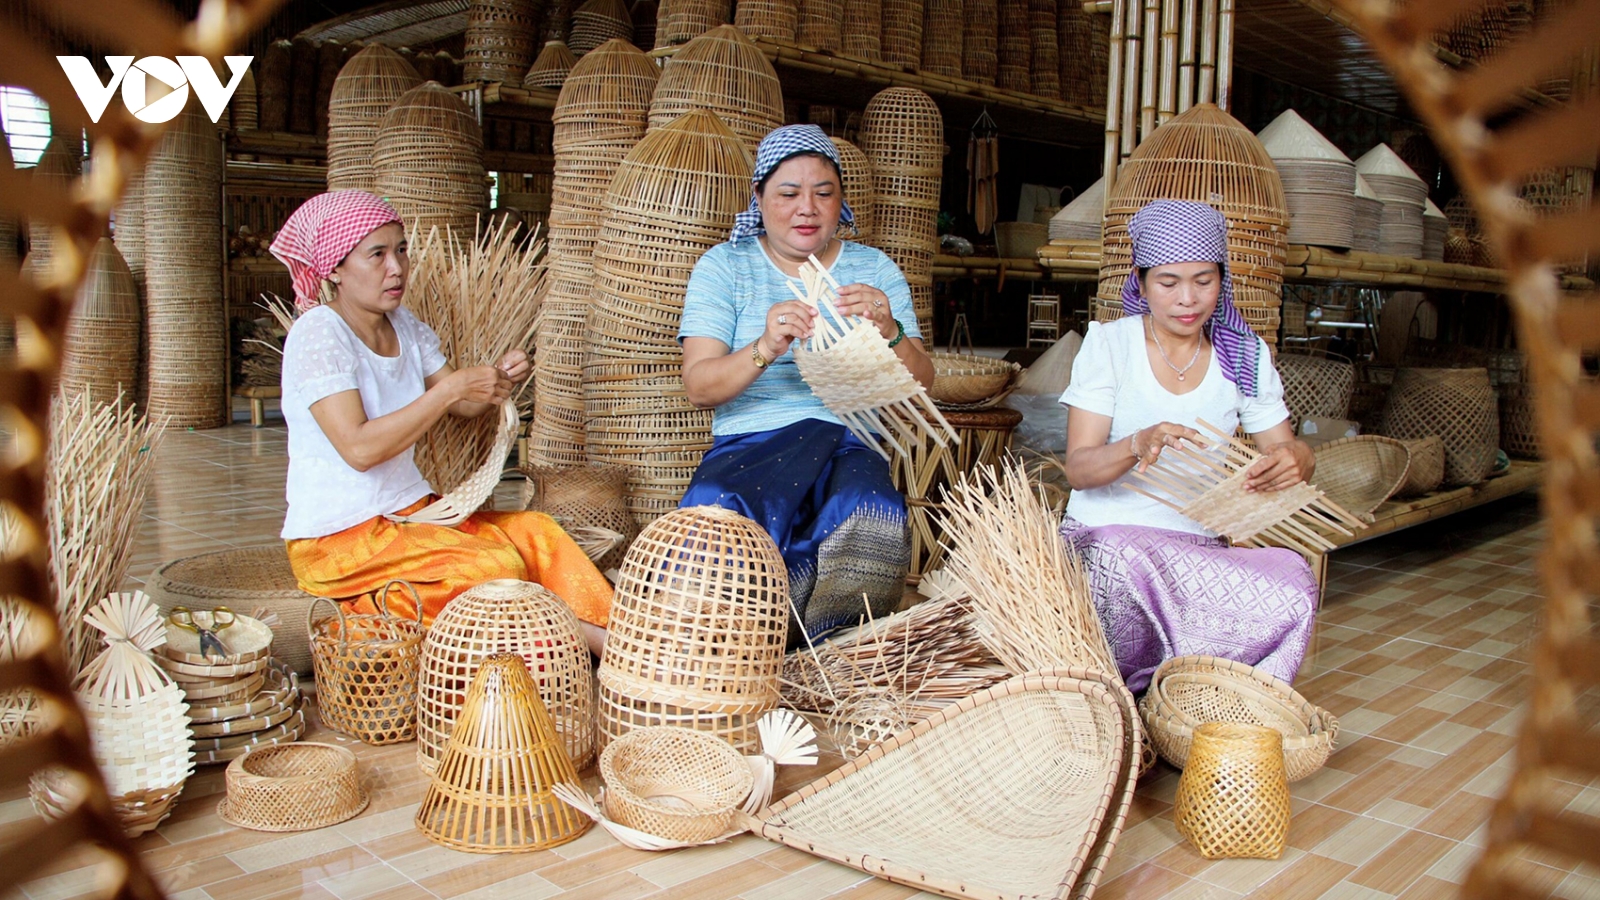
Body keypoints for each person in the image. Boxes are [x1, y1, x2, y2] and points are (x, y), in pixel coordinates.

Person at [271, 191, 611, 652]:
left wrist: (495, 381)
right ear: (334, 268)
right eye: (377, 254)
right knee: (493, 569)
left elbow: (462, 405)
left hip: (411, 514)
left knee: (538, 532)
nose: (397, 267)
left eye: (401, 249)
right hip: (340, 540)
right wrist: (448, 391)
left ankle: (617, 641)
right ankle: (599, 651)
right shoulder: (319, 334)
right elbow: (359, 449)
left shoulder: (404, 326)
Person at [678, 125, 935, 646]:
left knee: (868, 510)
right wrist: (765, 347)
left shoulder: (873, 268)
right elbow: (700, 386)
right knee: (717, 514)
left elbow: (922, 384)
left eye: (823, 193)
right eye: (788, 194)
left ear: (840, 201)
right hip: (753, 439)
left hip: (848, 436)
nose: (807, 208)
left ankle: (833, 645)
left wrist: (891, 332)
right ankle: (743, 641)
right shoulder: (725, 267)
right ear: (759, 198)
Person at [1060, 200, 1318, 692]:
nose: (1187, 299)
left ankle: (1212, 697)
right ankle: (1142, 687)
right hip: (1107, 544)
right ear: (1140, 281)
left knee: (1293, 584)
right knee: (1120, 557)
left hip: (1196, 551)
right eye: (1168, 282)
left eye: (1203, 280)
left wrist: (1297, 460)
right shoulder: (1111, 345)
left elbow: (1290, 451)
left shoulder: (1243, 352)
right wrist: (1138, 443)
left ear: (1223, 280)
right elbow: (1079, 469)